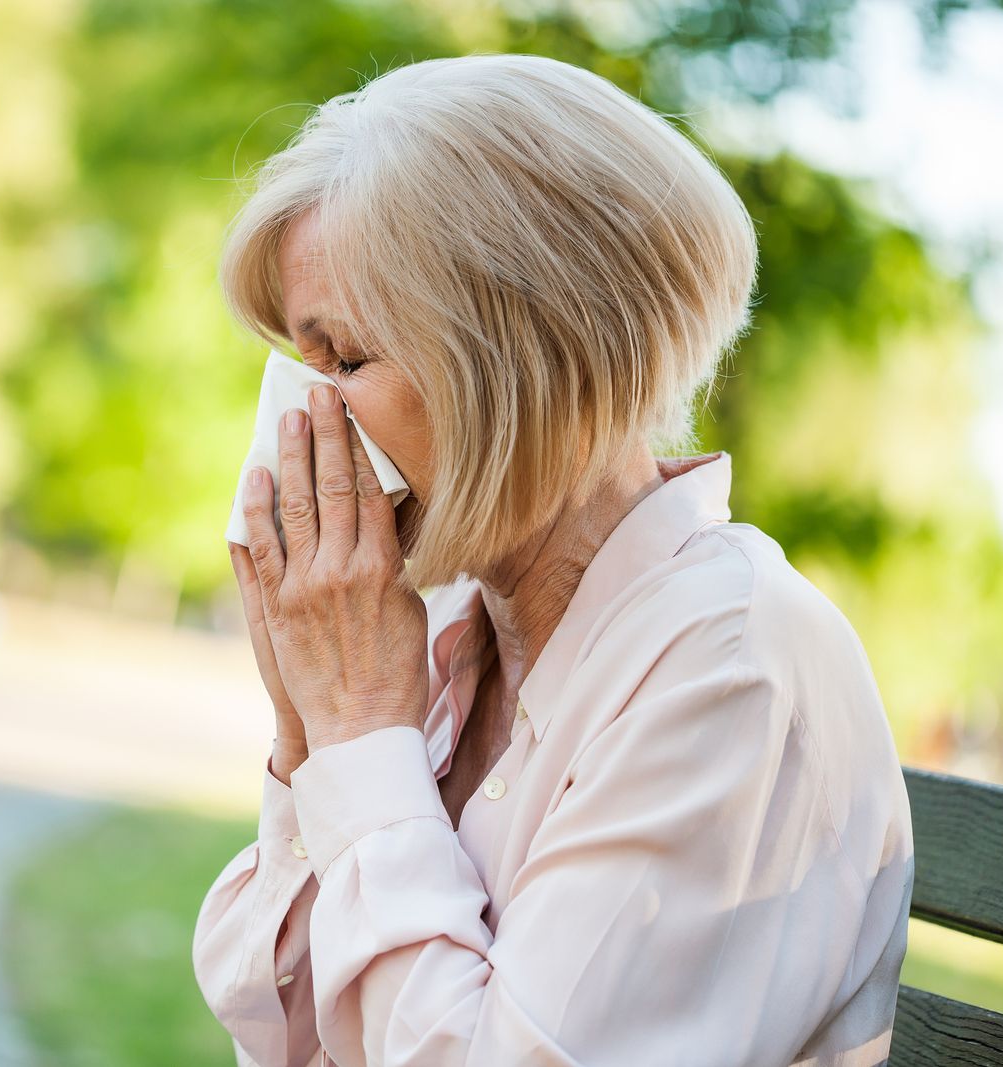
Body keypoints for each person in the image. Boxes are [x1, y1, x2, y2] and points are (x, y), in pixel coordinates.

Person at [194, 54, 914, 1067]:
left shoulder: (732, 666)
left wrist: (358, 727)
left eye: (344, 360)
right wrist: (310, 729)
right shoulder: (454, 637)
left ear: (524, 361)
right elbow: (278, 1030)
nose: (302, 421)